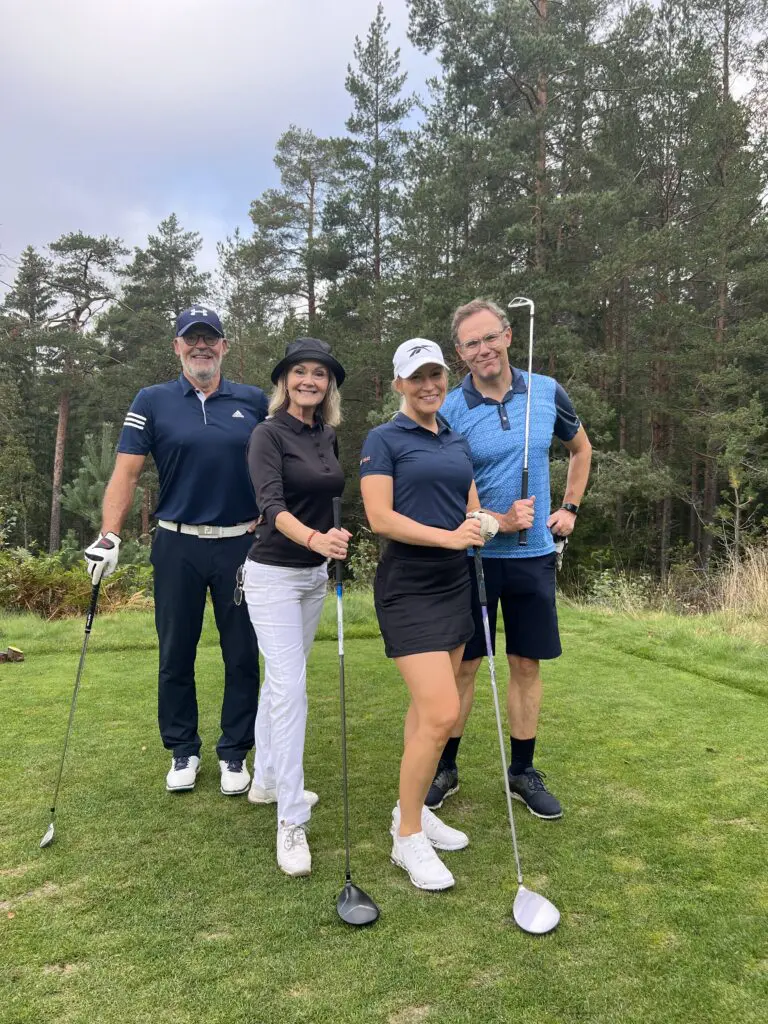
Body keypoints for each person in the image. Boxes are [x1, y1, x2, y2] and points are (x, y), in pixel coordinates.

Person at [84, 306, 267, 796]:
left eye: (210, 339)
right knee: (175, 652)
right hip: (177, 542)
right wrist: (110, 534)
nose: (201, 347)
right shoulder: (152, 400)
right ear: (177, 347)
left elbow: (279, 462)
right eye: (192, 339)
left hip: (240, 544)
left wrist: (276, 515)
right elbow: (126, 473)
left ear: (224, 346)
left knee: (242, 654)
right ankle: (183, 749)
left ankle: (234, 752)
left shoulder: (253, 401)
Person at [426, 297, 592, 820]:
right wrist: (495, 518)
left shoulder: (546, 392)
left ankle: (522, 771)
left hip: (532, 555)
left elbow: (581, 449)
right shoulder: (449, 407)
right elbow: (443, 477)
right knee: (464, 666)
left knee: (525, 662)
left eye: (489, 337)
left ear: (508, 336)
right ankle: (445, 768)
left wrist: (569, 508)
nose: (483, 349)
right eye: (471, 343)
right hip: (473, 555)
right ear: (459, 352)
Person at [360, 339, 499, 892]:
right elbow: (380, 518)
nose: (428, 385)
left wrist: (488, 523)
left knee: (427, 713)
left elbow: (470, 506)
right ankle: (407, 837)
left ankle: (409, 809)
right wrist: (449, 538)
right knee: (442, 712)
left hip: (453, 584)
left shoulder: (455, 438)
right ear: (399, 384)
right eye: (416, 377)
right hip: (408, 588)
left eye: (435, 375)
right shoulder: (384, 439)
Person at [240, 338, 350, 877]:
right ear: (285, 380)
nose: (310, 380)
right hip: (272, 576)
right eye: (300, 371)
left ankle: (265, 780)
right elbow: (272, 505)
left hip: (312, 577)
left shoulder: (326, 435)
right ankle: (290, 819)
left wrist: (330, 540)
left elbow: (326, 499)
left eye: (320, 373)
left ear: (329, 385)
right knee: (290, 689)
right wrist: (314, 539)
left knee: (281, 683)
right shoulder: (267, 433)